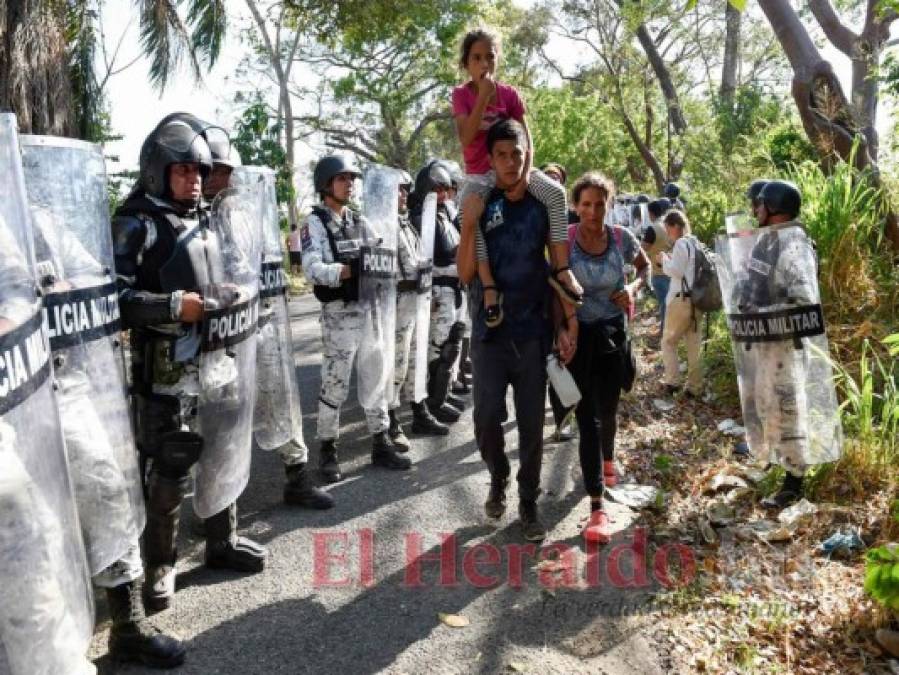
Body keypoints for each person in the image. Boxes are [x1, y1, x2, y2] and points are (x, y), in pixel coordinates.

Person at [23, 134, 185, 668]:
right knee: (24, 526)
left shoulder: (37, 217)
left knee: (107, 492)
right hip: (10, 397)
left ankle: (127, 624)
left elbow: (93, 277)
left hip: (63, 380)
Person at [112, 116, 267, 613]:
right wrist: (174, 306)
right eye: (183, 171)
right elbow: (113, 299)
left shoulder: (207, 219)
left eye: (200, 171)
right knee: (170, 467)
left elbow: (227, 274)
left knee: (222, 445)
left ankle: (222, 539)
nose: (195, 180)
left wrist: (231, 293)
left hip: (216, 357)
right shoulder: (135, 222)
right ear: (158, 171)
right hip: (163, 366)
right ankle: (161, 563)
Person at [458, 119, 577, 542]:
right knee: (487, 419)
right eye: (502, 156)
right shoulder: (479, 201)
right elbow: (466, 273)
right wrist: (470, 224)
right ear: (491, 160)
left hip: (534, 332)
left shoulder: (545, 204)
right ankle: (498, 475)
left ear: (529, 154)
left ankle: (528, 504)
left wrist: (567, 323)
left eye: (517, 154)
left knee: (531, 424)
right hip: (490, 333)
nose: (511, 163)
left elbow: (560, 270)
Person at [451, 27, 581, 328]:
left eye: (490, 56)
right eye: (477, 58)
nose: (484, 63)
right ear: (467, 63)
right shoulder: (461, 95)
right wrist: (482, 96)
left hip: (512, 169)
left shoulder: (509, 95)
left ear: (497, 60)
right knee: (474, 217)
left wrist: (524, 174)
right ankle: (489, 288)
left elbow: (527, 140)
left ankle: (562, 269)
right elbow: (466, 136)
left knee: (555, 194)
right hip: (480, 176)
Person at [301, 154, 411, 482]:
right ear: (325, 185)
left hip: (369, 309)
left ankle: (380, 441)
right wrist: (346, 270)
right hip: (339, 314)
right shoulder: (315, 223)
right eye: (342, 179)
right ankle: (328, 449)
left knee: (375, 375)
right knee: (335, 383)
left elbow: (379, 251)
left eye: (351, 179)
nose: (349, 185)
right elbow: (312, 269)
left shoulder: (358, 220)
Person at [732, 179, 840, 509]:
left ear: (774, 208)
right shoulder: (771, 240)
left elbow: (805, 302)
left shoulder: (793, 243)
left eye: (761, 204)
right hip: (769, 346)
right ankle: (781, 470)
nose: (756, 210)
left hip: (786, 347)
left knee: (789, 412)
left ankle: (794, 485)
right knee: (771, 410)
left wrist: (762, 313)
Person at [565, 172, 649, 543]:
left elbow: (645, 267)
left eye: (600, 204)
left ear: (608, 205)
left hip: (614, 335)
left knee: (609, 411)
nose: (593, 211)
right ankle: (597, 506)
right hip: (579, 339)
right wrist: (562, 326)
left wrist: (631, 287)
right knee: (588, 420)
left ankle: (609, 459)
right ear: (575, 206)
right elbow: (552, 282)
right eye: (586, 204)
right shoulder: (564, 241)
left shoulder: (620, 238)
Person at [389, 169, 449, 441]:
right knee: (396, 367)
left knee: (416, 363)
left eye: (404, 189)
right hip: (395, 306)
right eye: (396, 189)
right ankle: (390, 421)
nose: (402, 194)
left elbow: (418, 264)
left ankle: (419, 412)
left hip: (416, 302)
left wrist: (428, 295)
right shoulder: (380, 227)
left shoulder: (406, 224)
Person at [408, 160, 468, 425]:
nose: (443, 194)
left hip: (454, 288)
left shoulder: (445, 214)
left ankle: (441, 396)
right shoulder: (422, 218)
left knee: (451, 345)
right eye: (437, 188)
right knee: (438, 349)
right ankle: (432, 402)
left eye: (445, 188)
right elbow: (433, 258)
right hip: (438, 290)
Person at [657, 210, 703, 398]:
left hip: (680, 299)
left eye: (668, 228)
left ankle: (672, 382)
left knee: (668, 342)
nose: (667, 233)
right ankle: (695, 387)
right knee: (694, 344)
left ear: (675, 226)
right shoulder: (696, 242)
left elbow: (676, 271)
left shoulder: (682, 243)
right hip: (698, 300)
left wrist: (664, 260)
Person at [641, 198, 673, 334]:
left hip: (658, 272)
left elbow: (643, 249)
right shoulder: (668, 226)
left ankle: (665, 333)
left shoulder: (652, 228)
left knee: (665, 305)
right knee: (668, 303)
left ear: (650, 213)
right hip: (671, 270)